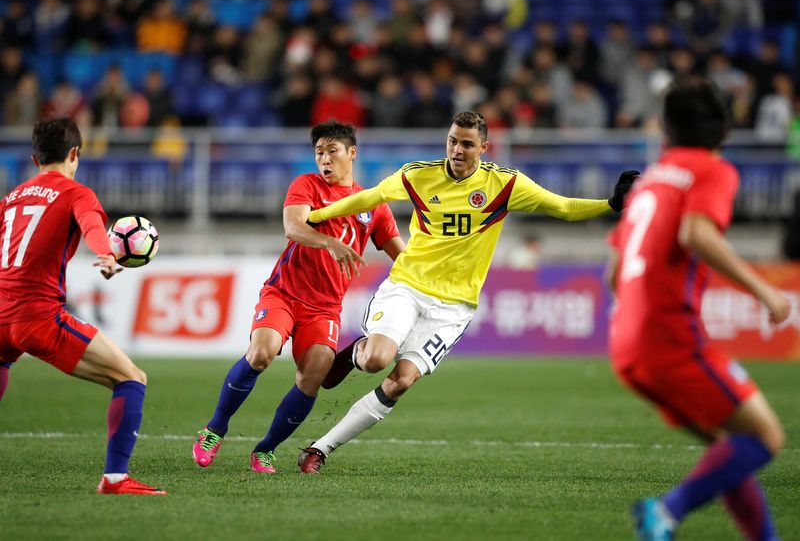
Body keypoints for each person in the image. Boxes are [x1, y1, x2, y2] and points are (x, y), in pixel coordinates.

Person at [296, 111, 639, 473]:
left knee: (402, 381)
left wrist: (610, 205)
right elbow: (369, 198)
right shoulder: (419, 175)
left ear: (484, 148)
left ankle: (320, 449)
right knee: (375, 361)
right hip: (408, 286)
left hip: (454, 307)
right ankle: (355, 355)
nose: (456, 150)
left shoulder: (505, 185)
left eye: (466, 144)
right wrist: (317, 218)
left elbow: (563, 207)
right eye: (452, 141)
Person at [606, 77, 790, 540]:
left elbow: (613, 273)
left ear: (665, 131)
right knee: (766, 438)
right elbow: (698, 235)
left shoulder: (649, 181)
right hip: (668, 339)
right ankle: (666, 512)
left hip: (626, 343)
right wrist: (765, 291)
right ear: (722, 130)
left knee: (731, 451)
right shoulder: (711, 170)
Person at [192, 121, 404, 473]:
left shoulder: (373, 206)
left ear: (352, 153)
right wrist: (329, 242)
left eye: (332, 151)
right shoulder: (306, 185)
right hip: (284, 294)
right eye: (319, 152)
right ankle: (215, 428)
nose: (324, 158)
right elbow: (293, 226)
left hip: (324, 309)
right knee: (261, 353)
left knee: (314, 375)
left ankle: (265, 449)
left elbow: (402, 256)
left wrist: (432, 278)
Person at [0, 117, 165, 495]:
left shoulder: (10, 199)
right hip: (36, 317)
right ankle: (115, 479)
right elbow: (92, 225)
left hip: (1, 313)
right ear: (75, 153)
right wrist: (108, 256)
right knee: (131, 378)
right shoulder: (77, 193)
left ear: (34, 157)